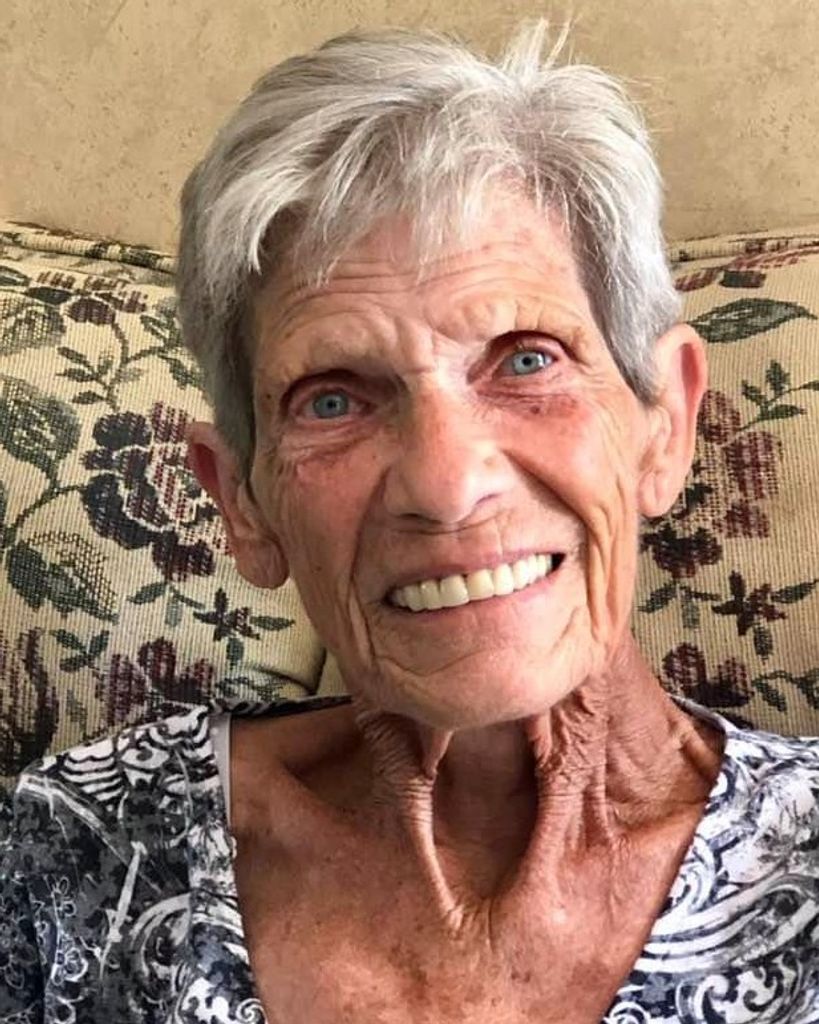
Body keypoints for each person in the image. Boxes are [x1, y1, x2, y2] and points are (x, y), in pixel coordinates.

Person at [2, 22, 818, 1024]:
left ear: (666, 424)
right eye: (332, 399)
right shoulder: (78, 848)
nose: (445, 483)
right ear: (242, 502)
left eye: (527, 359)